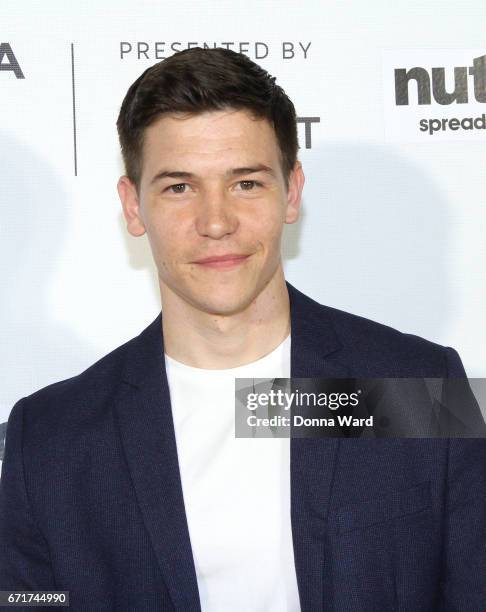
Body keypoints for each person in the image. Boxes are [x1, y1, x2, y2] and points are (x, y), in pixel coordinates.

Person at [1, 47, 485, 612]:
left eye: (246, 184)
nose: (216, 222)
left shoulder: (418, 386)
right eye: (179, 187)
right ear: (133, 207)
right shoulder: (54, 437)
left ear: (292, 192)